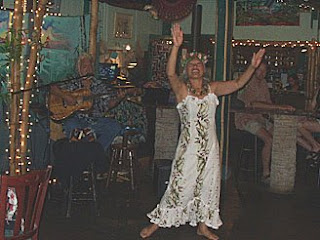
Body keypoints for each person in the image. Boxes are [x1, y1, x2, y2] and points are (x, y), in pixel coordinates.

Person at [140, 23, 265, 240]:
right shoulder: (181, 90)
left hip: (210, 148)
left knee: (208, 186)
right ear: (186, 71)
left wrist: (252, 67)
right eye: (191, 65)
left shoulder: (213, 88)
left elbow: (236, 83)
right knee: (180, 183)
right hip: (188, 149)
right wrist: (176, 46)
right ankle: (158, 222)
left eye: (198, 64)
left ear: (204, 69)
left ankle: (203, 226)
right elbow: (170, 73)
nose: (195, 67)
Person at [235, 62, 320, 183]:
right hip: (247, 119)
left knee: (287, 131)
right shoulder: (248, 82)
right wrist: (281, 107)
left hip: (261, 118)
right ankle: (265, 174)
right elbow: (254, 104)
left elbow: (268, 104)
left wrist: (278, 113)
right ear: (253, 70)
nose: (262, 73)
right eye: (259, 70)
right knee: (269, 139)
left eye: (264, 71)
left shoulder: (263, 83)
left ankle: (312, 149)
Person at [50, 53, 124, 156]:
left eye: (90, 66)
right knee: (72, 126)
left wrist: (118, 99)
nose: (88, 69)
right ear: (79, 69)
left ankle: (94, 154)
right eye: (85, 67)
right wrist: (66, 97)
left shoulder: (99, 85)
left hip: (94, 122)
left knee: (114, 126)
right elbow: (52, 88)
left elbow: (108, 104)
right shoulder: (72, 82)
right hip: (76, 119)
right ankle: (79, 158)